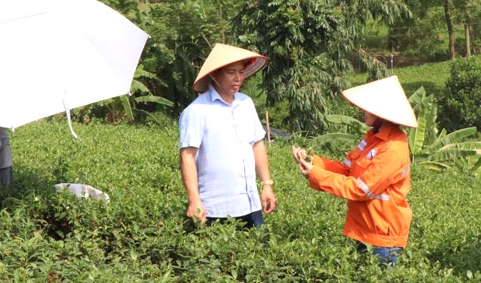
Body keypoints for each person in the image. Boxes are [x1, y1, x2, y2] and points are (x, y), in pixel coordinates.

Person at [292, 75, 418, 265]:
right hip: (365, 230)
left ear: (381, 112)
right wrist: (311, 161)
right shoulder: (372, 139)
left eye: (367, 107)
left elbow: (361, 189)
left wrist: (315, 174)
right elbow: (346, 169)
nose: (362, 110)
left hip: (383, 238)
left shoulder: (392, 149)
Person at [179, 43, 276, 227]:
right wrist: (194, 200)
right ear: (215, 74)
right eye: (231, 72)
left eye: (240, 72)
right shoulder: (197, 110)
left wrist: (267, 184)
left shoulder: (246, 103)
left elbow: (257, 144)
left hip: (250, 204)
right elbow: (187, 156)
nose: (238, 78)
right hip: (216, 208)